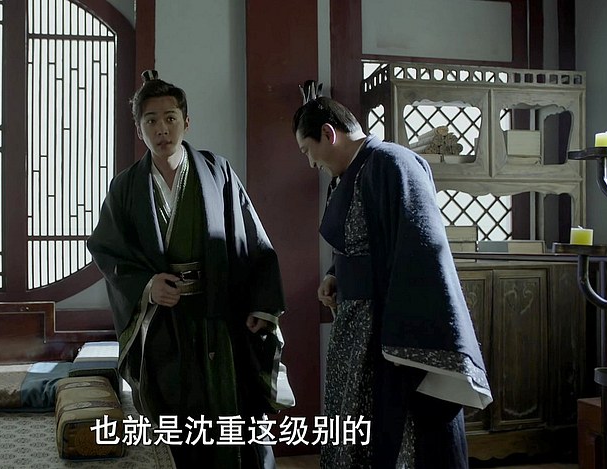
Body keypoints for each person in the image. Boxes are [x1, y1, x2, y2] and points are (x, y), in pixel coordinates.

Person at [88, 70, 292, 469]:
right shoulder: (125, 187)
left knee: (230, 414)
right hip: (164, 324)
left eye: (170, 118)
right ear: (139, 129)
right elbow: (106, 249)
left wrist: (261, 303)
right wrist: (148, 285)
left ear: (186, 121)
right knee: (178, 421)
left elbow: (253, 241)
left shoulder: (218, 172)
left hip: (221, 317)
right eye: (150, 120)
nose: (161, 129)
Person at [291, 89, 492, 469]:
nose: (310, 162)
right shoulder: (347, 175)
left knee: (400, 426)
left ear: (329, 134)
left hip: (389, 325)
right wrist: (336, 275)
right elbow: (358, 242)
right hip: (356, 326)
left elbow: (424, 247)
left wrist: (400, 332)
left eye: (307, 150)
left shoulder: (392, 162)